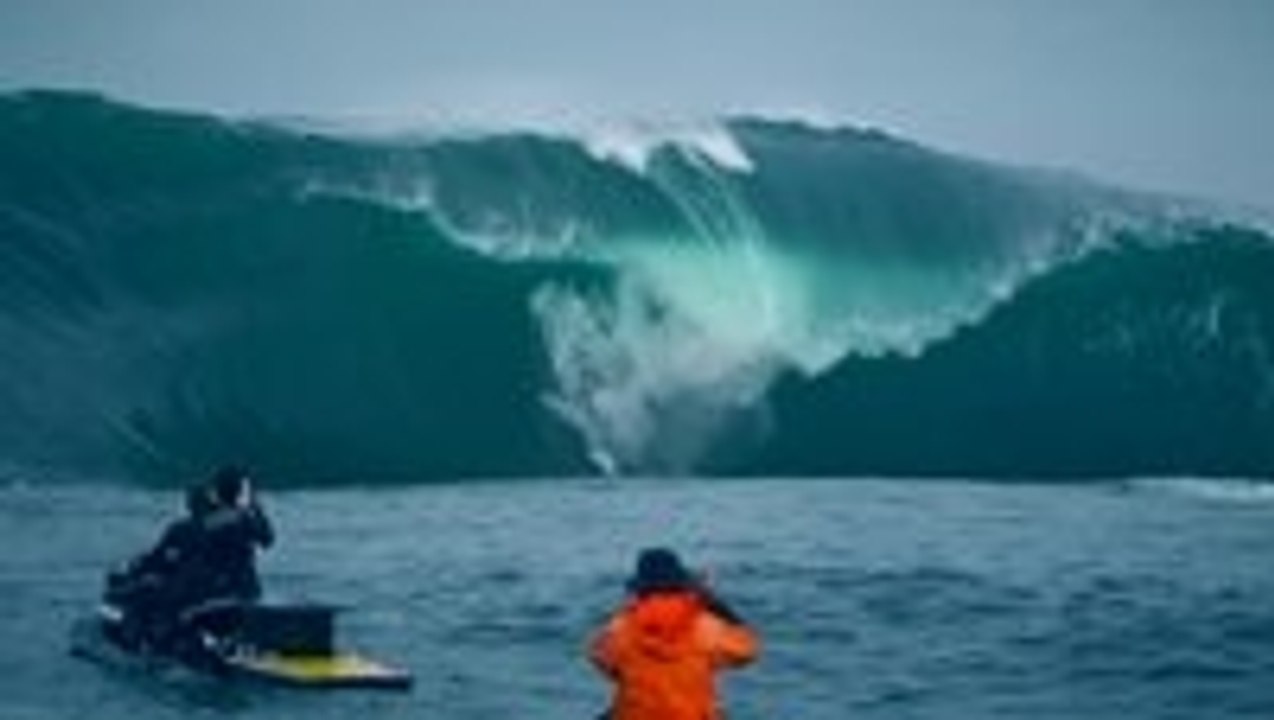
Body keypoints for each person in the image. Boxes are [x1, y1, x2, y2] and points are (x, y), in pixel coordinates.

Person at [589, 548, 760, 720]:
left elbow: (600, 658)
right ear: (682, 585)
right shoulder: (705, 627)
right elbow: (749, 651)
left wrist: (629, 610)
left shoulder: (621, 629)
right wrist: (713, 602)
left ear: (640, 589)